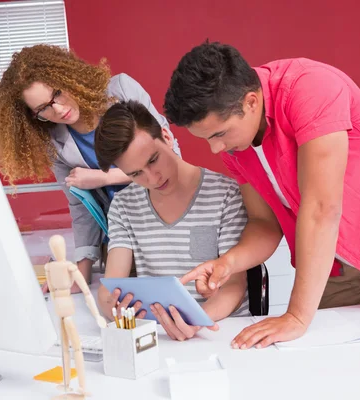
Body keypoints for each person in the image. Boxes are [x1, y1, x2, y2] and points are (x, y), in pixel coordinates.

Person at [163, 41, 360, 349]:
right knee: (340, 364)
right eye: (207, 140)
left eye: (219, 134)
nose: (216, 149)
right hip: (331, 257)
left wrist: (296, 315)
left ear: (251, 102)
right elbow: (263, 223)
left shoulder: (310, 87)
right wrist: (229, 263)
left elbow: (322, 208)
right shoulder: (235, 146)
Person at [0, 45, 181, 291]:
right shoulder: (54, 141)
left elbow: (170, 157)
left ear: (69, 76)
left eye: (57, 93)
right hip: (118, 240)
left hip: (166, 225)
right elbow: (80, 207)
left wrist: (103, 177)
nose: (57, 109)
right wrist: (80, 272)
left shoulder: (121, 90)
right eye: (42, 109)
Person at [93, 100, 250, 341]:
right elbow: (110, 287)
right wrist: (111, 307)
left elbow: (235, 286)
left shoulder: (225, 194)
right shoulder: (124, 205)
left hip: (222, 333)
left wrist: (196, 321)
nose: (152, 178)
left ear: (166, 136)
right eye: (136, 174)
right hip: (162, 336)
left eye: (153, 160)